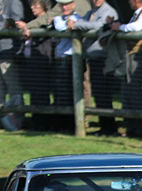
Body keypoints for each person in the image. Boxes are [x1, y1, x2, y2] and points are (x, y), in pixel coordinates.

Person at [69, 0, 119, 136]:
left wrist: (77, 25)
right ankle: (105, 127)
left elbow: (98, 26)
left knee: (103, 93)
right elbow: (87, 23)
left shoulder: (108, 11)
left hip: (103, 57)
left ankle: (110, 128)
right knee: (98, 94)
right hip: (92, 58)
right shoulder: (91, 12)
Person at [111, 0, 142, 139]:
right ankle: (131, 127)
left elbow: (137, 27)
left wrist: (120, 27)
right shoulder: (136, 14)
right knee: (128, 92)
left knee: (136, 93)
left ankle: (140, 128)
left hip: (139, 57)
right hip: (130, 57)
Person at [0, 0, 27, 131]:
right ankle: (0, 121)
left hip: (8, 53)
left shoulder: (14, 2)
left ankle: (17, 122)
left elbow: (18, 25)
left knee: (14, 90)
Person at [18, 0, 54, 130]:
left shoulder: (48, 19)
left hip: (42, 59)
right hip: (31, 60)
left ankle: (43, 123)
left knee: (41, 92)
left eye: (35, 5)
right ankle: (35, 121)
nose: (32, 8)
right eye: (31, 5)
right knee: (34, 92)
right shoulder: (31, 20)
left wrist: (30, 30)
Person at [49, 0, 81, 132]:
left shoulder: (77, 17)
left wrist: (67, 24)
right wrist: (64, 24)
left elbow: (62, 27)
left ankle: (70, 125)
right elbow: (60, 26)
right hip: (60, 58)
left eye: (68, 4)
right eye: (63, 5)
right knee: (59, 91)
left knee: (70, 92)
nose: (65, 7)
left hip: (71, 59)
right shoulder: (59, 18)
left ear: (73, 5)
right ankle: (60, 123)